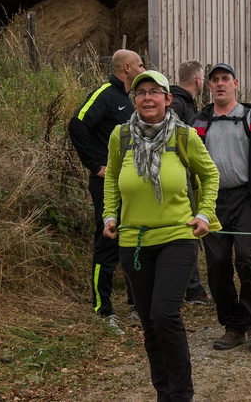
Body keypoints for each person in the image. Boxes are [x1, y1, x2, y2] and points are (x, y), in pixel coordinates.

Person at [103, 70, 220, 402]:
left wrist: (203, 214)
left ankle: (182, 395)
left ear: (169, 100)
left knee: (164, 314)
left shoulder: (184, 136)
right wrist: (110, 214)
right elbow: (112, 177)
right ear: (134, 100)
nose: (147, 98)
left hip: (177, 237)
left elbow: (210, 174)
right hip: (133, 242)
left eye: (155, 92)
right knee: (150, 326)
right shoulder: (120, 136)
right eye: (141, 93)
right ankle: (164, 393)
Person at [191, 63, 251, 352]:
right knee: (217, 264)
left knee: (246, 259)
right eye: (214, 80)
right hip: (212, 200)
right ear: (208, 86)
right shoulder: (199, 121)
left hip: (247, 198)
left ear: (235, 83)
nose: (220, 84)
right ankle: (233, 327)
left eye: (225, 79)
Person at [68, 49, 145, 334]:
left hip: (131, 184)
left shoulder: (128, 99)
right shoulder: (103, 94)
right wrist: (94, 164)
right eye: (139, 64)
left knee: (135, 237)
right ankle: (103, 310)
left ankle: (138, 305)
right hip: (106, 184)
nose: (142, 68)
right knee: (108, 241)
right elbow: (77, 124)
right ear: (126, 68)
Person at [169, 60, 211, 305]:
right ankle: (192, 289)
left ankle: (191, 288)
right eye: (204, 78)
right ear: (198, 80)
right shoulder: (176, 104)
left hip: (185, 178)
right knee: (187, 230)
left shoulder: (185, 103)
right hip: (178, 181)